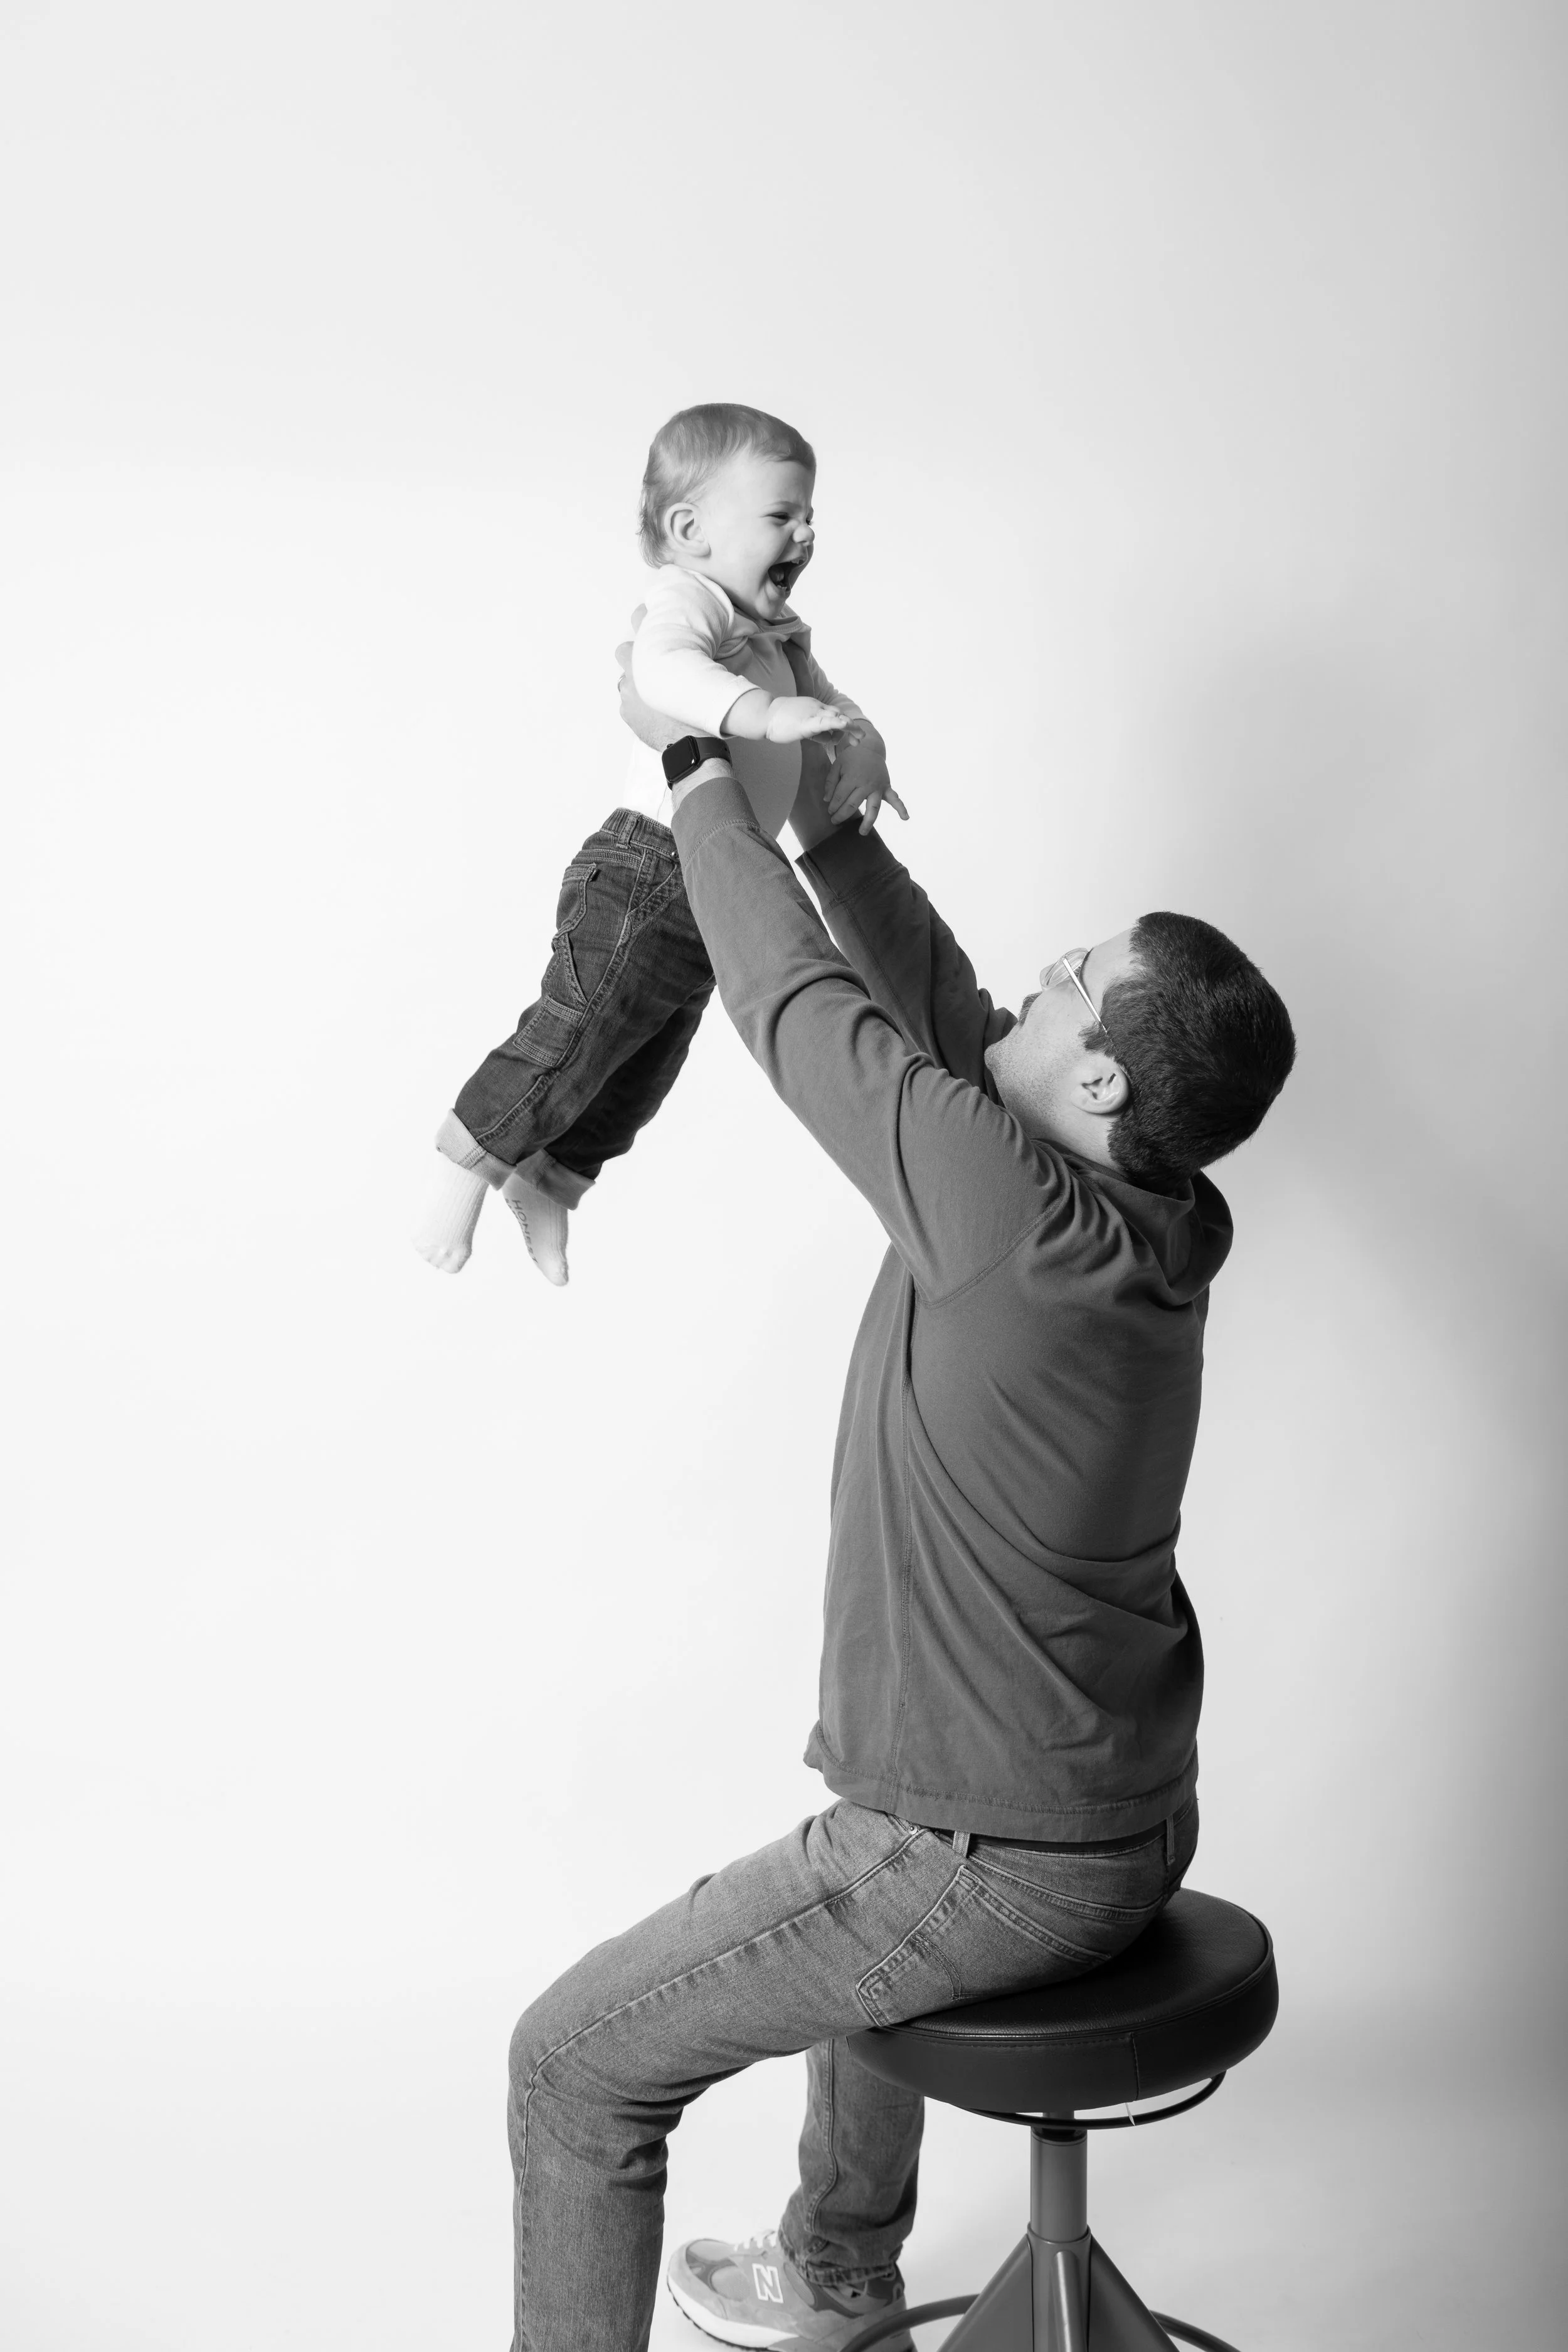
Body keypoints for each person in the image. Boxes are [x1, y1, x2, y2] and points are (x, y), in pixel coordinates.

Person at [502, 696, 1296, 2352]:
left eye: (1072, 977)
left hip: (983, 1860)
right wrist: (833, 818)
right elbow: (941, 1001)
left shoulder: (1003, 1209)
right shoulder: (1143, 1208)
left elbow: (797, 1002)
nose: (1036, 976)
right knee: (860, 1868)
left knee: (573, 2062)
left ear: (1090, 1074)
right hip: (1107, 1822)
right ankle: (839, 2263)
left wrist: (698, 766)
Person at [411, 401, 903, 1288]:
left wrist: (861, 745)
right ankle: (465, 1159)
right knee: (579, 1033)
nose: (808, 532)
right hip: (647, 866)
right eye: (782, 515)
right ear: (691, 530)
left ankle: (552, 1178)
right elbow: (659, 671)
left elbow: (834, 706)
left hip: (718, 879)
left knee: (647, 1061)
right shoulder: (690, 603)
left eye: (811, 514)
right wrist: (759, 712)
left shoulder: (779, 637)